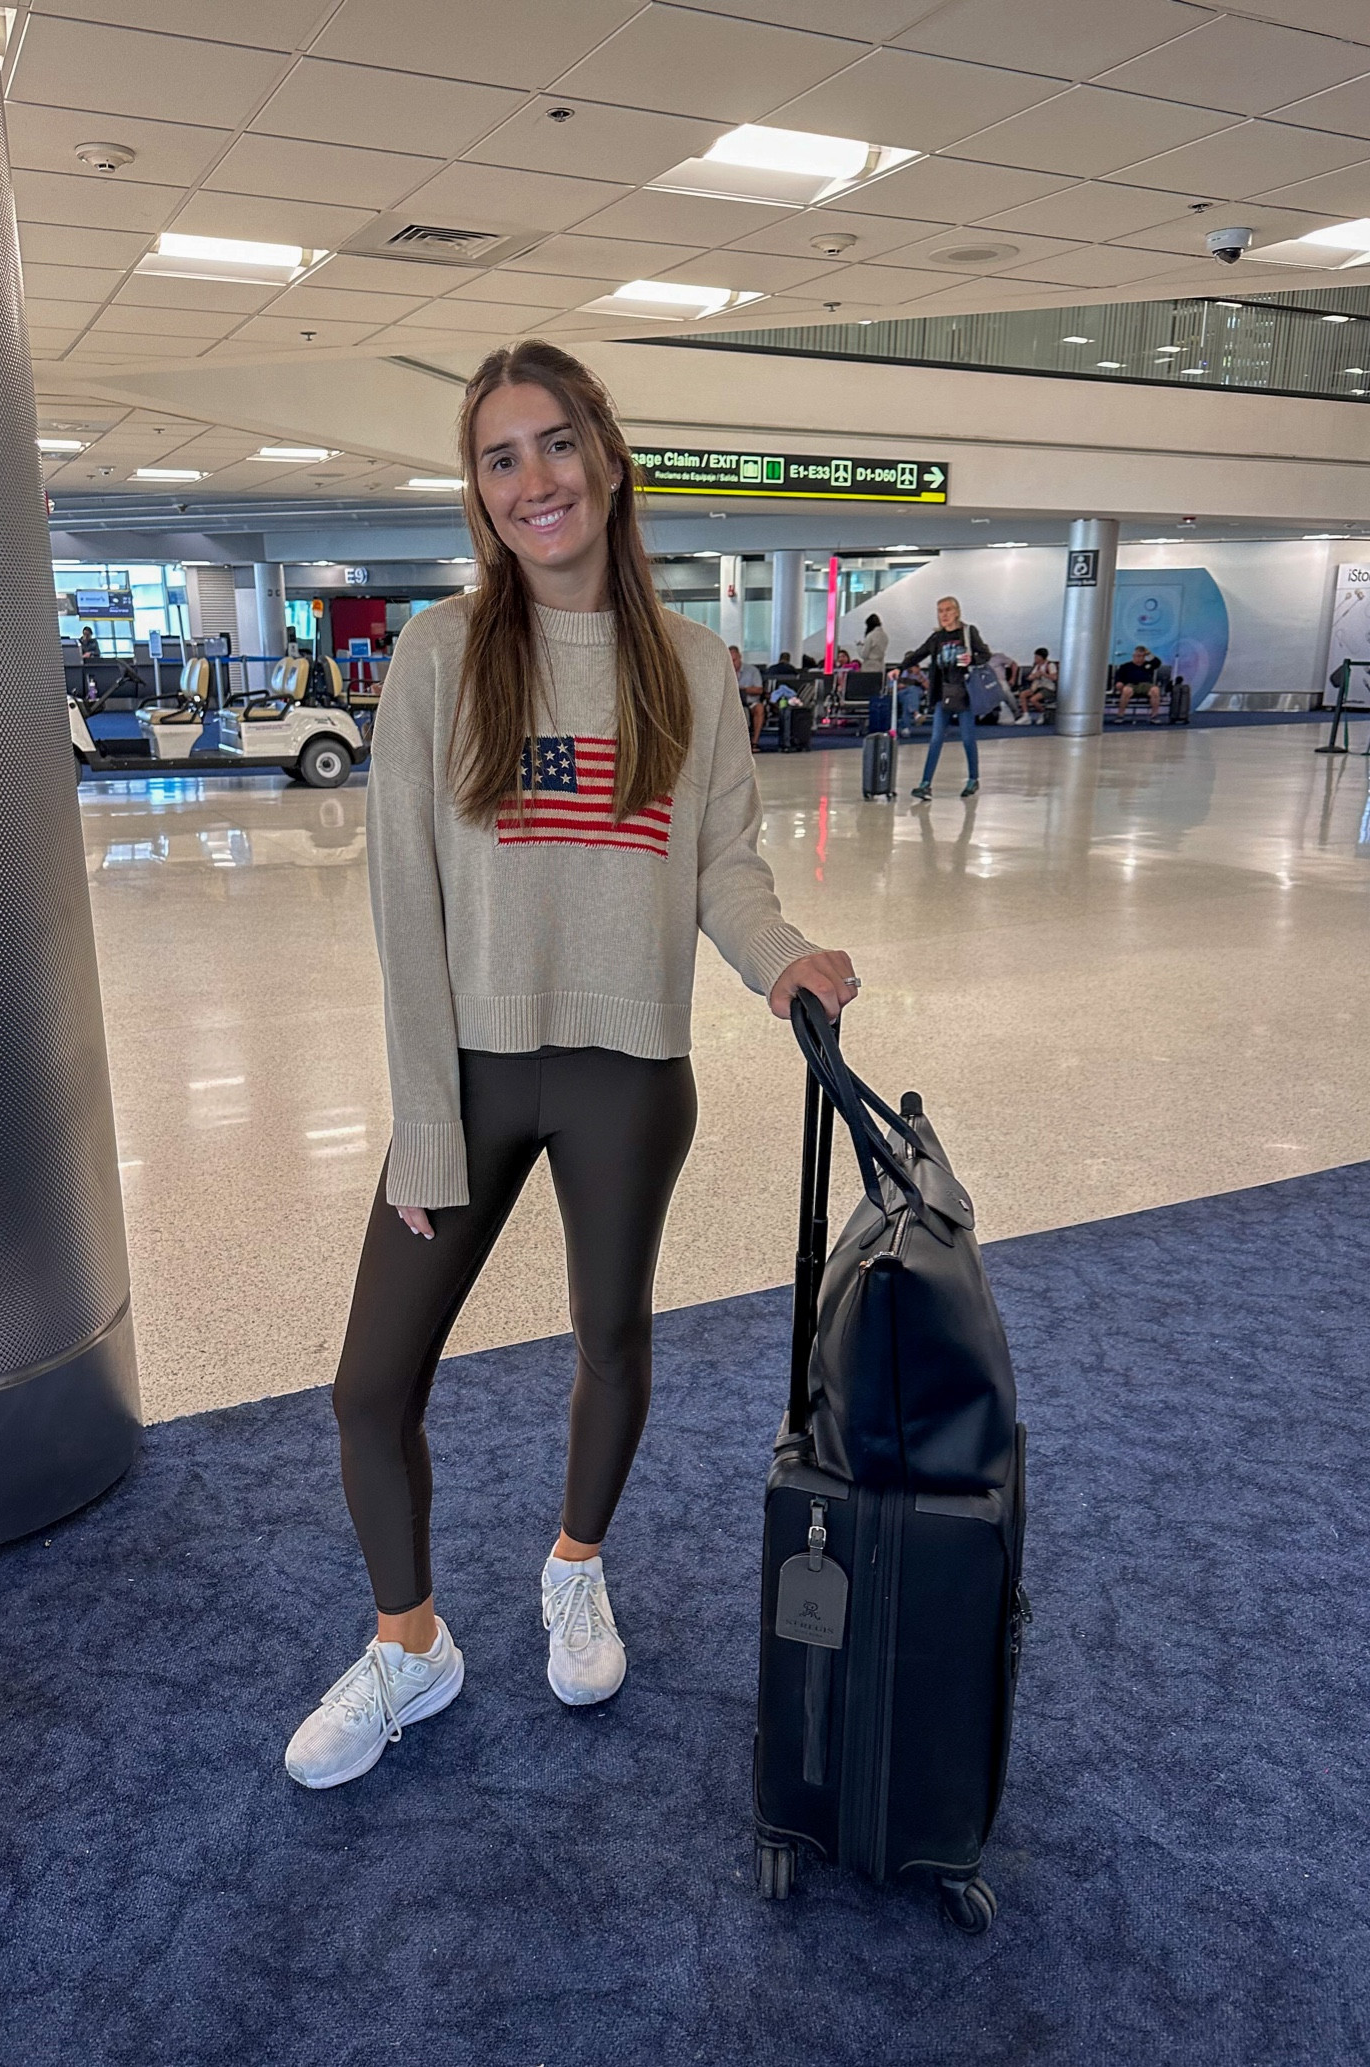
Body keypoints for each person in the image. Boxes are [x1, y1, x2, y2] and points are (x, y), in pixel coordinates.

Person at [285, 339, 859, 1791]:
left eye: (554, 444)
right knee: (368, 1387)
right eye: (500, 457)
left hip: (628, 1068)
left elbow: (722, 862)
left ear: (607, 458)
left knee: (612, 1338)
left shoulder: (694, 665)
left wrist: (780, 956)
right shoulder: (438, 656)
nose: (533, 479)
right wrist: (425, 1119)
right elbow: (405, 905)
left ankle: (575, 1565)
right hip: (471, 1073)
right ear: (479, 491)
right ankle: (411, 1642)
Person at [902, 597, 990, 800]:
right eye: (940, 610)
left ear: (957, 612)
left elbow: (986, 654)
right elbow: (918, 654)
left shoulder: (968, 632)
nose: (944, 614)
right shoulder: (937, 638)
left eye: (948, 610)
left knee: (967, 738)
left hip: (964, 693)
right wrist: (900, 668)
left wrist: (972, 659)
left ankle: (973, 779)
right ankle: (925, 784)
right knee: (936, 739)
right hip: (943, 694)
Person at [728, 641, 765, 747]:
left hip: (750, 702)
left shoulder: (752, 671)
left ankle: (754, 742)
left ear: (740, 657)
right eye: (730, 661)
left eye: (734, 660)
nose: (732, 664)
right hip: (731, 703)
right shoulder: (724, 671)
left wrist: (742, 689)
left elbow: (759, 690)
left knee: (759, 709)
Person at [1114, 645, 1161, 722]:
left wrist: (1149, 653)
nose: (1140, 658)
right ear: (1133, 656)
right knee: (1126, 690)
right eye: (1138, 656)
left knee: (1155, 690)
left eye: (1142, 656)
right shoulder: (1125, 666)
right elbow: (1119, 677)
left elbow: (1157, 663)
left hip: (1146, 685)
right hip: (1131, 685)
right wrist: (1119, 683)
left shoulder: (1148, 665)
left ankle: (1154, 716)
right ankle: (1120, 715)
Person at [1021, 648, 1057, 721]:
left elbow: (1054, 677)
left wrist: (1043, 674)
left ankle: (1042, 713)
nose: (1035, 658)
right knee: (1023, 694)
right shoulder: (1037, 666)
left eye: (1036, 656)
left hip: (1048, 688)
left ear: (1041, 657)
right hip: (1037, 688)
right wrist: (1033, 676)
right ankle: (1026, 715)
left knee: (1033, 699)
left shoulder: (1050, 665)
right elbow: (1030, 677)